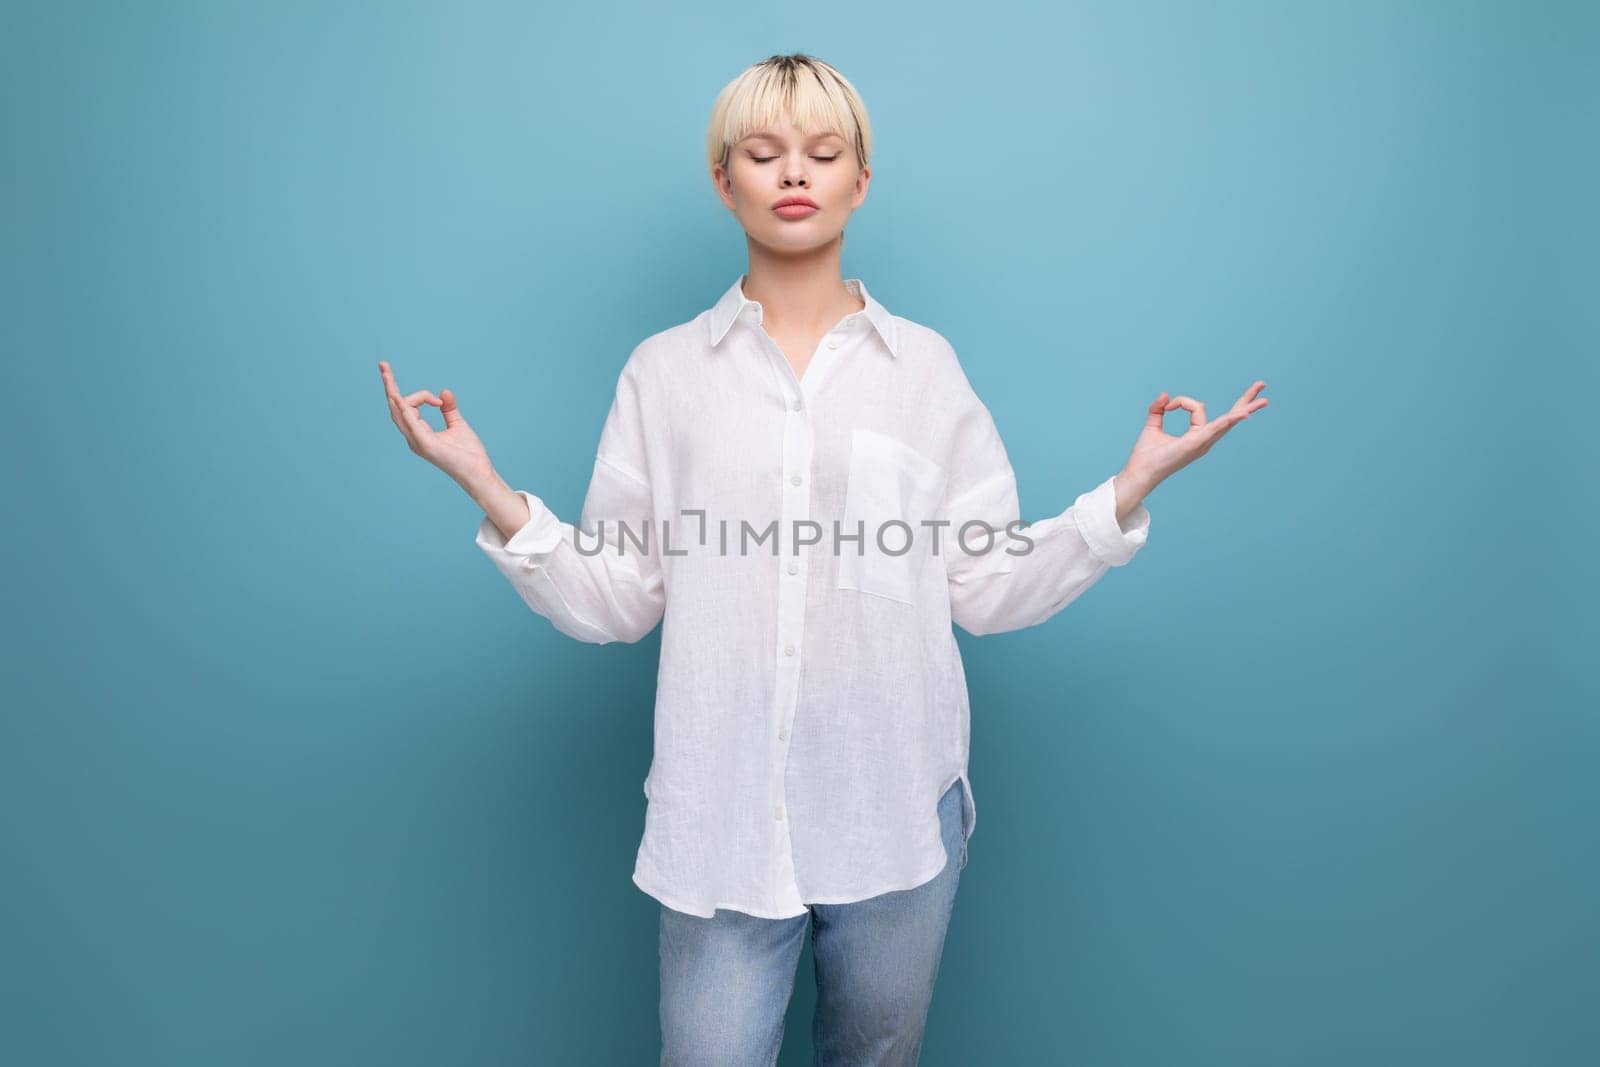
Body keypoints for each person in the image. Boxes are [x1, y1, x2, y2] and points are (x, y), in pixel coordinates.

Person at [380, 51, 1267, 1067]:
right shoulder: (664, 374)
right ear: (725, 180)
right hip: (721, 811)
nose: (792, 173)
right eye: (762, 152)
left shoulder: (923, 371)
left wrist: (1129, 484)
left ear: (860, 178)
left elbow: (985, 582)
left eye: (821, 152)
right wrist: (484, 482)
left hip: (893, 800)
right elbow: (618, 595)